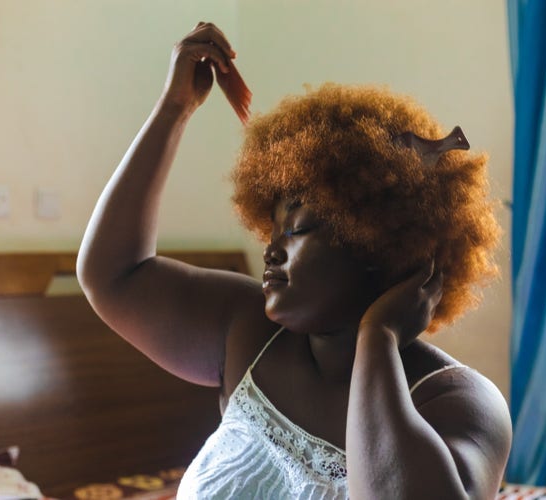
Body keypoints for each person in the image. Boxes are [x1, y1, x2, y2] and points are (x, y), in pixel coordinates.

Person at [77, 21, 511, 500]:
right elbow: (113, 276)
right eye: (273, 227)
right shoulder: (247, 332)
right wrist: (174, 108)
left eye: (298, 229)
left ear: (377, 245)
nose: (272, 248)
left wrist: (378, 338)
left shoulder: (458, 401)